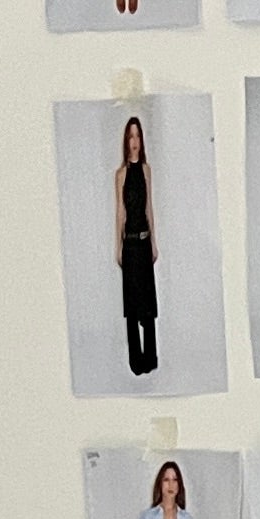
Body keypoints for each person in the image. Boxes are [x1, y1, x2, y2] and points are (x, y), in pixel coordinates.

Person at [112, 113, 158, 377]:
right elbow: (120, 211)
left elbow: (149, 207)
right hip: (129, 244)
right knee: (132, 305)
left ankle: (150, 358)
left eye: (138, 135)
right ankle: (135, 361)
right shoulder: (120, 175)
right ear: (126, 141)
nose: (134, 141)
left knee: (148, 304)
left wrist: (155, 242)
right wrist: (117, 245)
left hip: (144, 241)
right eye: (131, 136)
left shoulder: (146, 171)